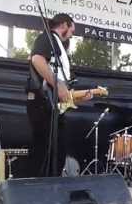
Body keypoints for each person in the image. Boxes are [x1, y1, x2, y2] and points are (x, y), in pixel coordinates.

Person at [26, 13, 92, 177]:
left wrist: (80, 97)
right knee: (43, 152)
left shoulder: (61, 50)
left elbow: (65, 92)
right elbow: (37, 59)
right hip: (43, 103)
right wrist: (58, 86)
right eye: (71, 31)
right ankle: (37, 192)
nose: (71, 35)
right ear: (63, 25)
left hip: (55, 106)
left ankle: (51, 191)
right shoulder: (48, 38)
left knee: (58, 152)